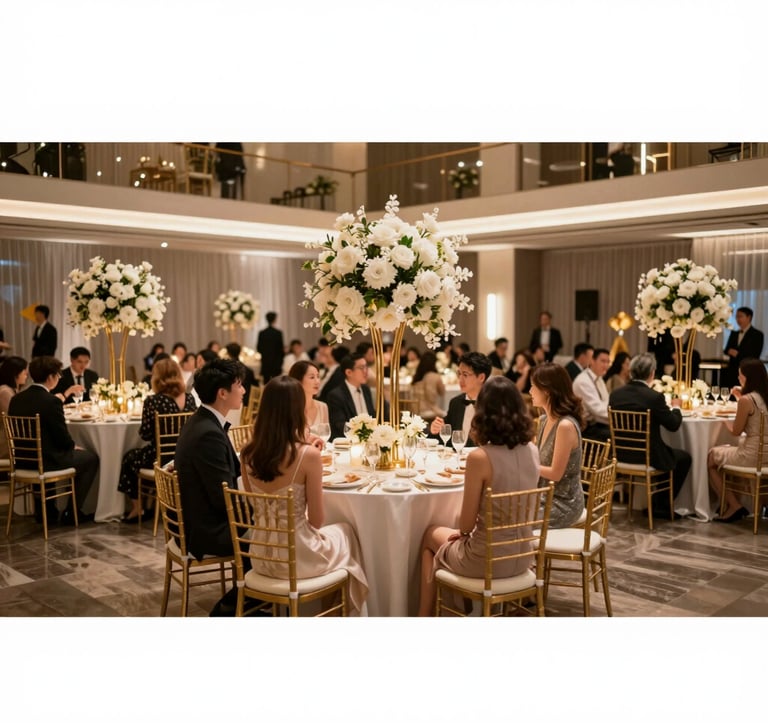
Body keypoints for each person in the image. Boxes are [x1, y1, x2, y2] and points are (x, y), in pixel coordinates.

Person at [240, 375, 368, 614]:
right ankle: (339, 614)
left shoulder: (247, 453)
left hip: (260, 556)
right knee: (348, 531)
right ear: (297, 410)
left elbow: (254, 502)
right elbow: (317, 521)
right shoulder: (308, 455)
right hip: (297, 558)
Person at [417, 376, 539, 616]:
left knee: (429, 535)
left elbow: (465, 525)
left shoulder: (480, 458)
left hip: (486, 560)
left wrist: (460, 533)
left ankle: (425, 616)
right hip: (524, 555)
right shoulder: (532, 451)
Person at [174, 358, 247, 616]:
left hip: (203, 518)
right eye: (239, 385)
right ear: (223, 393)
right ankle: (240, 604)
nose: (244, 390)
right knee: (271, 532)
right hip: (208, 529)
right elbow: (222, 498)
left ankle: (251, 597)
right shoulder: (208, 433)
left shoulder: (202, 421)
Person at [8, 356, 98, 525]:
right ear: (50, 377)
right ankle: (72, 513)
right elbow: (61, 437)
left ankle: (46, 513)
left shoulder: (17, 399)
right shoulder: (51, 402)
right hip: (47, 461)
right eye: (57, 375)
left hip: (22, 460)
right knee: (90, 459)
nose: (58, 378)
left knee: (50, 451)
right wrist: (73, 446)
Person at [608, 353, 691, 520]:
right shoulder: (654, 397)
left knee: (667, 453)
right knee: (684, 458)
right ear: (652, 373)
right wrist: (676, 408)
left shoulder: (616, 394)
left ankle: (655, 503)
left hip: (620, 455)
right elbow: (673, 425)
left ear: (631, 371)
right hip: (647, 457)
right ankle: (661, 505)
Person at [118, 358, 197, 522]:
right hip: (184, 455)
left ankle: (137, 507)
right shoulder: (189, 398)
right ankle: (152, 503)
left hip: (160, 458)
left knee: (128, 459)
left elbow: (145, 434)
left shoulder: (153, 401)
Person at [708, 358, 768, 523]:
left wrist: (723, 420)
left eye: (740, 375)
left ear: (747, 378)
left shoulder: (746, 400)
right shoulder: (763, 396)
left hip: (751, 456)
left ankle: (733, 505)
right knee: (728, 451)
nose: (739, 378)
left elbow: (736, 431)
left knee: (712, 457)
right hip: (766, 456)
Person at [530, 363, 585, 528]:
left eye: (533, 387)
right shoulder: (544, 420)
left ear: (547, 391)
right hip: (544, 495)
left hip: (563, 503)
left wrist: (526, 465)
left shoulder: (565, 426)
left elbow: (555, 473)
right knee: (502, 509)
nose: (530, 392)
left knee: (509, 518)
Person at [429, 351, 492, 449]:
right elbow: (445, 438)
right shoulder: (456, 403)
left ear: (481, 377)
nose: (460, 379)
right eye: (459, 374)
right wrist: (435, 429)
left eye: (465, 375)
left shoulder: (493, 404)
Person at [326, 353, 377, 440]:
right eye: (361, 368)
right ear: (349, 372)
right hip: (349, 441)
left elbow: (372, 415)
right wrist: (362, 434)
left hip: (371, 438)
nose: (366, 371)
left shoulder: (365, 389)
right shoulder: (336, 395)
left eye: (366, 367)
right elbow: (340, 425)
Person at [572, 347, 612, 442]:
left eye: (608, 362)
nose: (606, 365)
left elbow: (607, 402)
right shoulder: (583, 381)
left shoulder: (599, 379)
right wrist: (615, 418)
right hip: (585, 427)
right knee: (618, 436)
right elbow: (597, 411)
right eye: (603, 361)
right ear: (592, 361)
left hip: (598, 423)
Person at [722, 306, 765, 389]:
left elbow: (755, 354)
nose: (738, 319)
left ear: (749, 317)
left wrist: (737, 354)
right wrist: (728, 351)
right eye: (737, 317)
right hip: (732, 370)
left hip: (748, 371)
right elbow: (726, 349)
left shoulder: (757, 335)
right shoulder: (734, 333)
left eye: (740, 316)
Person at [0, 356, 29, 459]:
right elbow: (14, 419)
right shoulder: (5, 392)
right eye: (24, 371)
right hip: (7, 443)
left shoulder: (12, 390)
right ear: (15, 373)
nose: (26, 374)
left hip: (13, 439)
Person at [288, 360, 329, 431]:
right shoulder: (289, 407)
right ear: (298, 381)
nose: (317, 381)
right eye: (312, 377)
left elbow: (325, 436)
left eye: (318, 376)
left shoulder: (323, 407)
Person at [411, 350, 446, 421]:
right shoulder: (435, 376)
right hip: (430, 410)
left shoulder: (417, 376)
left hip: (415, 411)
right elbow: (442, 392)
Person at [224, 342, 256, 406]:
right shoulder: (249, 370)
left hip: (231, 401)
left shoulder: (226, 369)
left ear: (228, 353)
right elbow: (255, 386)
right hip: (247, 401)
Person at [257, 311, 284, 383]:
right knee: (277, 383)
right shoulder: (278, 333)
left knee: (266, 383)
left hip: (266, 362)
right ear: (275, 319)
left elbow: (259, 348)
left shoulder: (262, 333)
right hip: (276, 363)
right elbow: (280, 349)